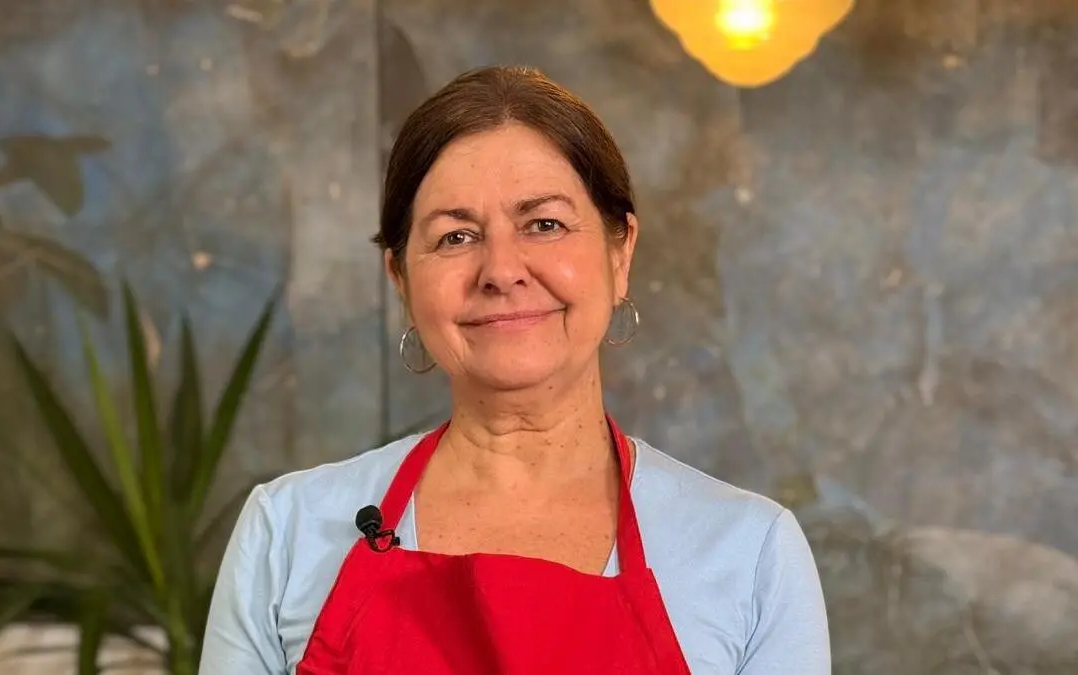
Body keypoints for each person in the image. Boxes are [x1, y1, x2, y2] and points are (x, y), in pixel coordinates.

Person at [199, 65, 831, 674]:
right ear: (401, 279)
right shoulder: (287, 532)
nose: (501, 271)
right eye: (455, 237)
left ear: (620, 255)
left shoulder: (751, 554)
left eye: (544, 224)